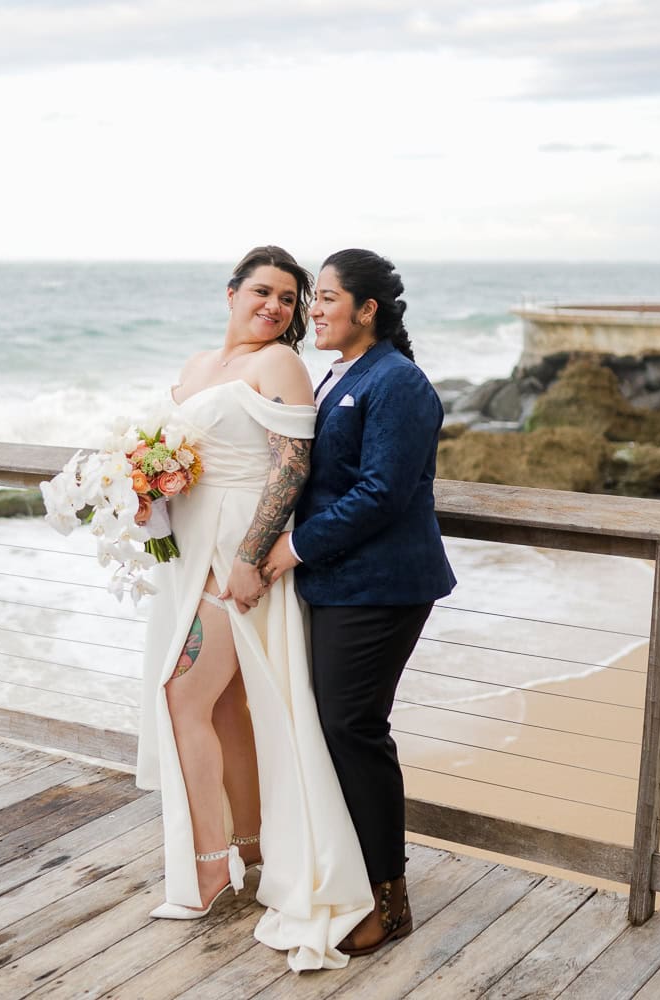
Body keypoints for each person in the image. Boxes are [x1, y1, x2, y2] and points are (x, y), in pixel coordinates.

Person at [135, 245, 372, 971]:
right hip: (190, 547)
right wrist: (144, 489)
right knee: (228, 706)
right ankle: (253, 852)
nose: (275, 307)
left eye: (290, 300)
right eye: (263, 292)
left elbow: (292, 468)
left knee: (182, 694)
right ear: (231, 291)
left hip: (240, 554)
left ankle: (209, 872)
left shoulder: (281, 367)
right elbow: (180, 455)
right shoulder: (200, 363)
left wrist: (250, 558)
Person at [261, 249, 457, 957]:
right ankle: (344, 877)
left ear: (367, 309)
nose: (314, 310)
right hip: (340, 584)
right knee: (336, 727)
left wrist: (295, 547)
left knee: (353, 728)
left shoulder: (398, 382)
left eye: (328, 299)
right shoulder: (339, 373)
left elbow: (383, 492)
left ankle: (390, 899)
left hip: (383, 586)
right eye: (313, 300)